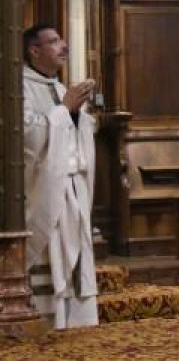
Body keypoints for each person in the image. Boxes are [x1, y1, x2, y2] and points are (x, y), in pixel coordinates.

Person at [22, 24, 98, 329]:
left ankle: (78, 319)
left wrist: (78, 116)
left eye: (62, 40)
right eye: (54, 42)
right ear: (34, 50)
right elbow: (26, 136)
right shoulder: (21, 86)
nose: (63, 46)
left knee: (77, 247)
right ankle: (48, 318)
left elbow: (78, 132)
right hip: (45, 185)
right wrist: (65, 110)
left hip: (73, 184)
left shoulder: (59, 86)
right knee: (49, 249)